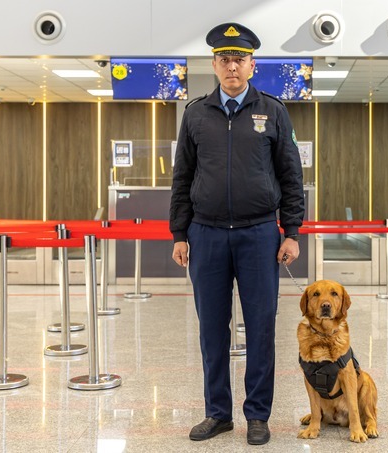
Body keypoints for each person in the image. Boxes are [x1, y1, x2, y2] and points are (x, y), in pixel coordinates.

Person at [169, 22, 304, 446]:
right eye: (225, 59)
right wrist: (179, 233)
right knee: (212, 329)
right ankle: (218, 413)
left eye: (239, 59)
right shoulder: (195, 113)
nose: (232, 66)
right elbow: (182, 177)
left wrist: (292, 231)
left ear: (252, 65)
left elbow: (290, 175)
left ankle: (258, 415)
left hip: (260, 234)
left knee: (261, 326)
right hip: (206, 235)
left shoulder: (274, 110)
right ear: (214, 64)